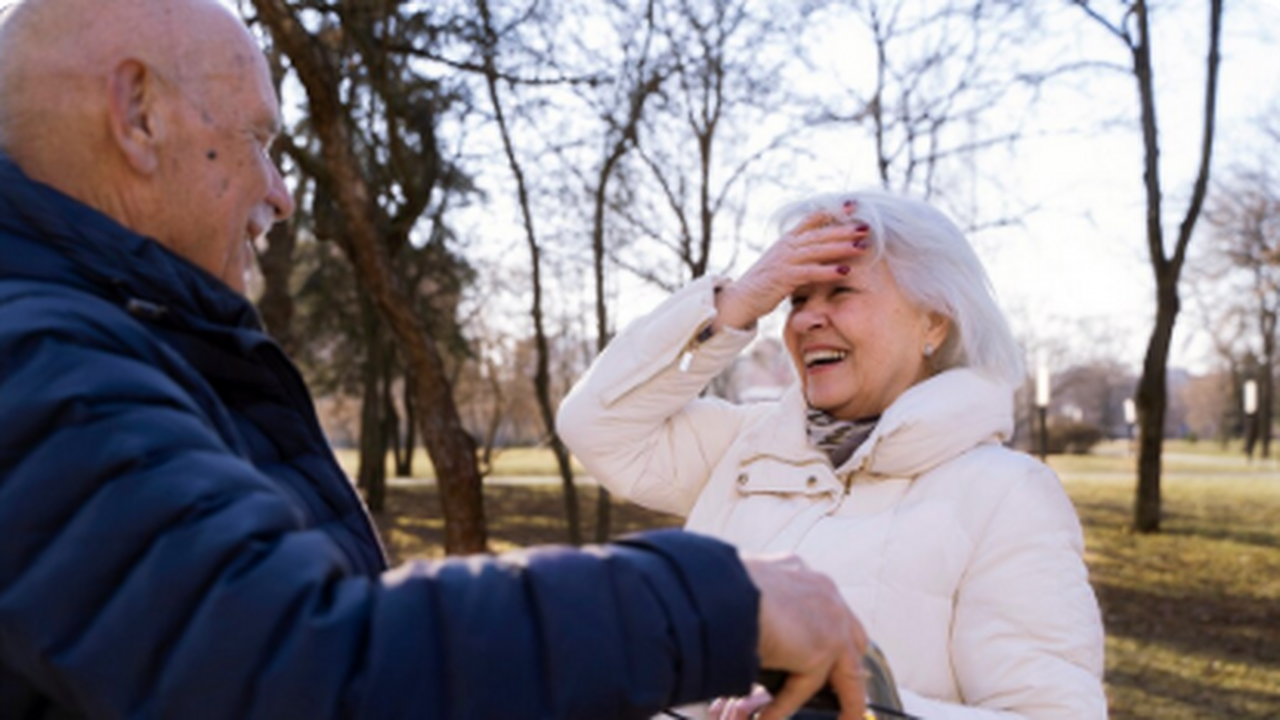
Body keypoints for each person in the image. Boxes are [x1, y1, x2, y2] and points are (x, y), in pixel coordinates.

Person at [0, 1, 870, 718]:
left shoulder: (101, 342)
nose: (282, 193)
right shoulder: (38, 356)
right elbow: (295, 663)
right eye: (260, 139)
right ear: (139, 115)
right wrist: (710, 603)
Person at [558, 190, 1109, 719]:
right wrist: (735, 304)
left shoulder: (1007, 496)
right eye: (797, 298)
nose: (804, 320)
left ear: (934, 322)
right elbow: (595, 426)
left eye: (841, 292)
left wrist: (846, 707)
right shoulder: (746, 445)